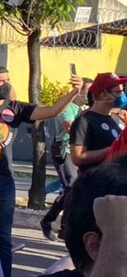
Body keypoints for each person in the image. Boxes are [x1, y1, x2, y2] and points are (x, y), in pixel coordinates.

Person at [0, 64, 83, 277]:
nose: (5, 85)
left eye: (7, 79)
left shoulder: (14, 109)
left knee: (3, 240)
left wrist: (74, 93)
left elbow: (52, 111)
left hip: (3, 179)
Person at [42, 77, 91, 240]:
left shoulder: (85, 108)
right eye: (86, 90)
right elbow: (70, 127)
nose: (88, 94)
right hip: (66, 150)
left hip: (83, 152)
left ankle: (65, 227)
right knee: (71, 186)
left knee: (77, 189)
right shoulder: (67, 108)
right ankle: (48, 220)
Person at [69, 72, 126, 173]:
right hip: (95, 183)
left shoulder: (116, 118)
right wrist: (114, 149)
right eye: (118, 92)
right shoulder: (84, 121)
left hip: (115, 181)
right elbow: (77, 157)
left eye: (122, 91)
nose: (122, 96)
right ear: (104, 95)